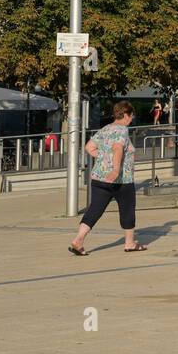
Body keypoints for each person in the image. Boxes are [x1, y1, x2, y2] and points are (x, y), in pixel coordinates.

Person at [69, 101, 145, 255]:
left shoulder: (104, 129)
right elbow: (117, 148)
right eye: (131, 115)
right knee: (127, 209)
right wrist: (116, 169)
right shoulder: (122, 130)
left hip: (99, 178)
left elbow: (89, 147)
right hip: (121, 180)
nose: (131, 119)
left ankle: (78, 239)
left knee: (95, 209)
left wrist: (104, 158)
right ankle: (129, 243)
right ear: (125, 115)